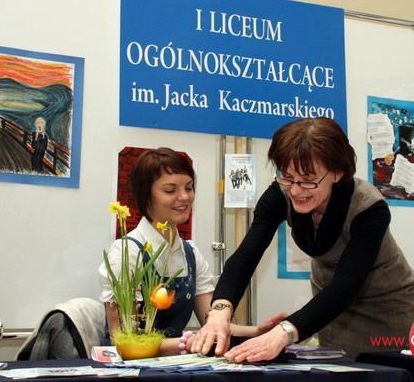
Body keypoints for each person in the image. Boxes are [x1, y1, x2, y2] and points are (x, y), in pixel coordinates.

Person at [190, 118, 414, 361]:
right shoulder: (280, 195)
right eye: (288, 177)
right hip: (327, 309)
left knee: (383, 370)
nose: (296, 190)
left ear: (337, 172)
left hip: (384, 306)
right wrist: (219, 313)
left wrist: (283, 333)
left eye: (308, 180)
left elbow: (346, 286)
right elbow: (246, 256)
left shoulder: (369, 207)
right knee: (336, 368)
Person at [98, 147, 284, 355]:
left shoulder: (190, 254)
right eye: (170, 191)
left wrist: (258, 332)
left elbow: (213, 322)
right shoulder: (126, 253)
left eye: (189, 187)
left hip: (175, 364)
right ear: (145, 196)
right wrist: (187, 342)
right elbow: (123, 342)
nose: (184, 197)